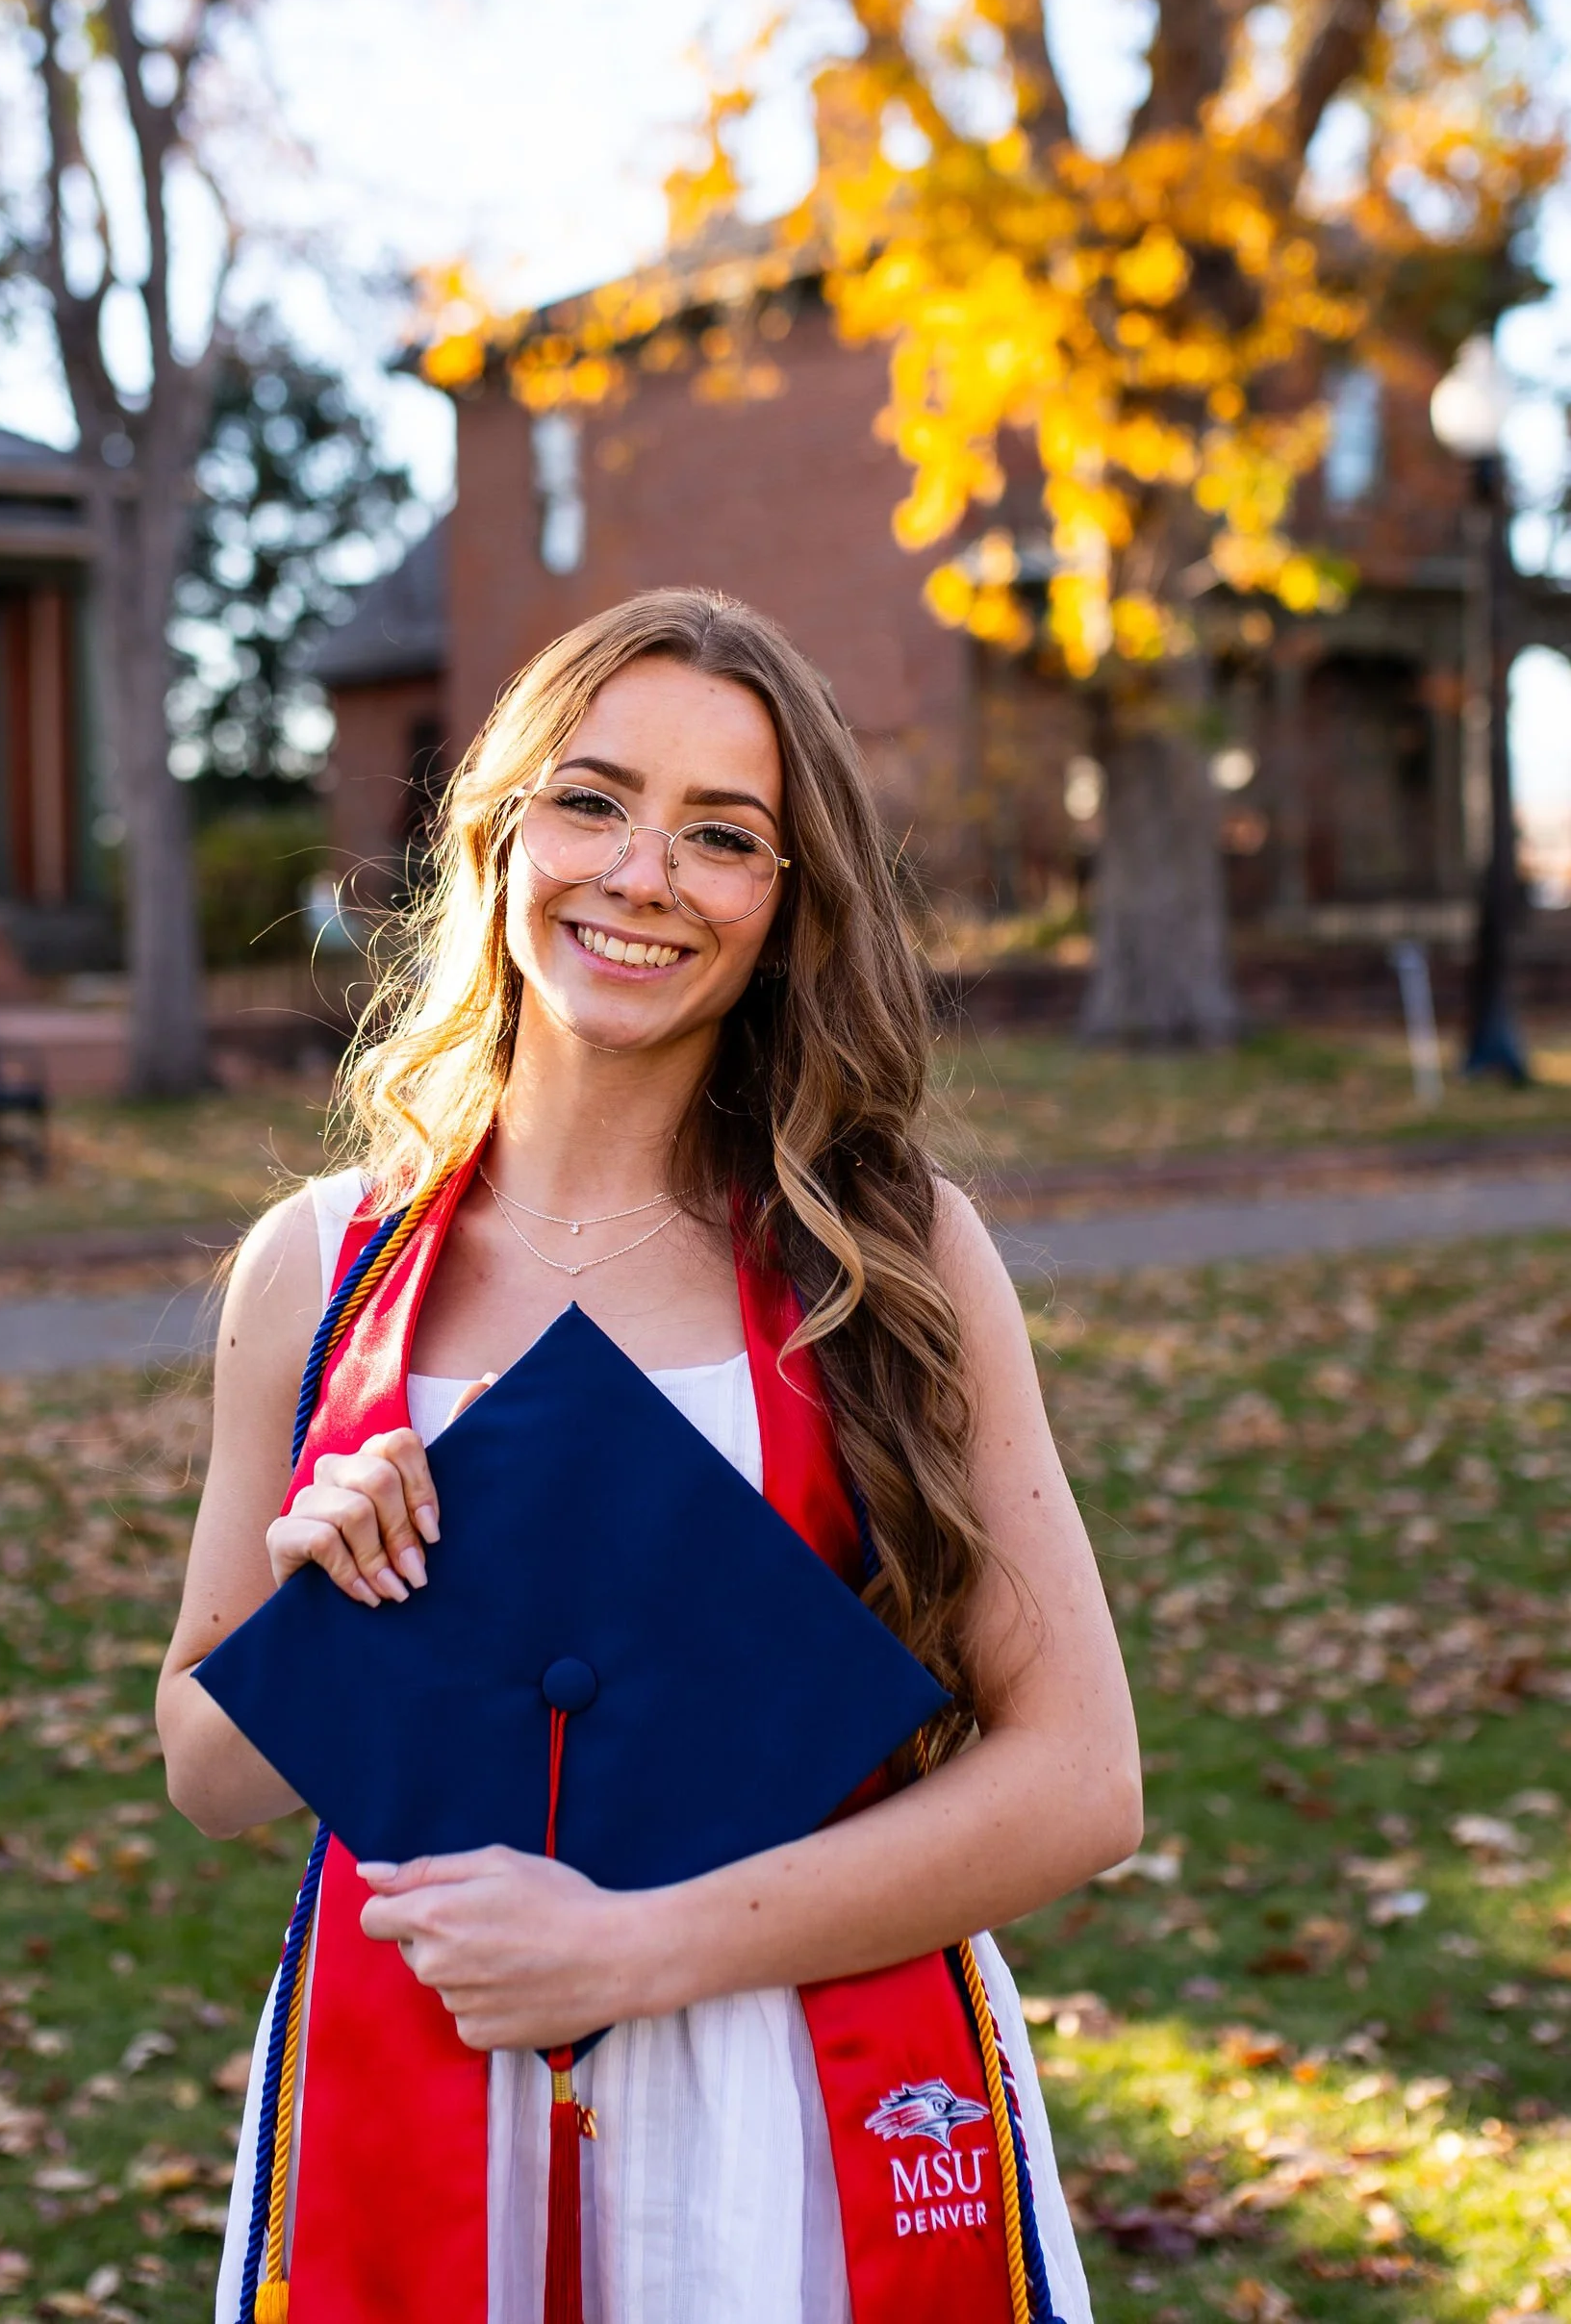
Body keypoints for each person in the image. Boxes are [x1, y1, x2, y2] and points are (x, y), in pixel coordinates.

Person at [159, 587, 1141, 2324]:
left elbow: (1079, 1781)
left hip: (799, 2103)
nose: (640, 875)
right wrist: (324, 1592)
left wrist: (633, 1951)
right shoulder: (321, 1265)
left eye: (723, 835)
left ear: (786, 903)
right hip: (419, 2080)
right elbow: (211, 1772)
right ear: (498, 827)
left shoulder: (888, 1259)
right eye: (594, 800)